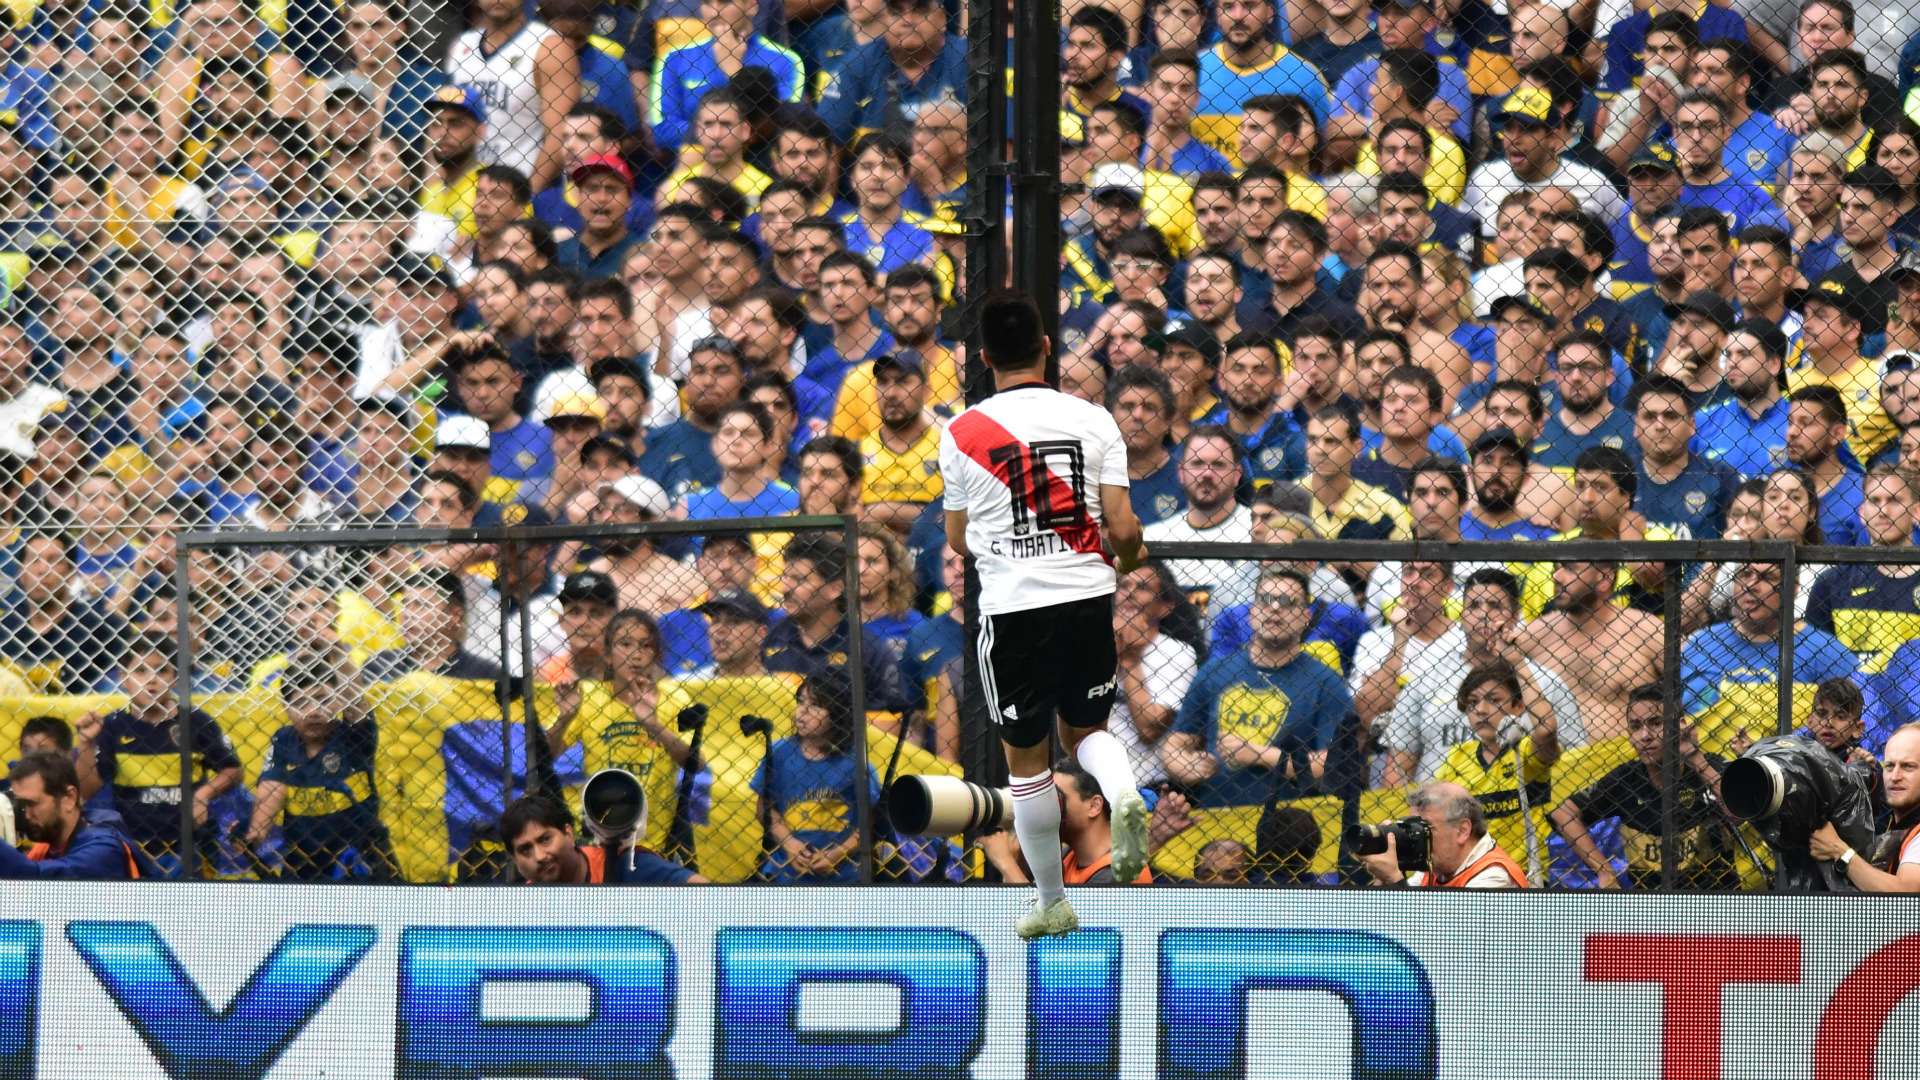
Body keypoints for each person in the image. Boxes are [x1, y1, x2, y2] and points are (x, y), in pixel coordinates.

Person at [938, 290, 1147, 938]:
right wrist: (1131, 555)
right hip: (1085, 597)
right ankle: (1122, 794)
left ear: (983, 358)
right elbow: (1121, 527)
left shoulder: (961, 432)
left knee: (1025, 765)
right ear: (1047, 349)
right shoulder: (1095, 420)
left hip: (1012, 610)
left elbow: (953, 538)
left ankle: (1052, 899)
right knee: (1087, 733)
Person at [1162, 567, 1351, 809]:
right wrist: (1187, 767)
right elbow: (1175, 744)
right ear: (1251, 613)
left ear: (1305, 617)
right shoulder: (1215, 671)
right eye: (1265, 600)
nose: (1274, 608)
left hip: (1288, 824)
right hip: (1215, 817)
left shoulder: (1325, 682)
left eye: (1287, 602)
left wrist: (1259, 754)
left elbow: (1336, 764)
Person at [1379, 568, 1585, 787]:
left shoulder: (1543, 682)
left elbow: (1574, 761)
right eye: (1474, 606)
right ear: (1461, 616)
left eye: (1495, 606)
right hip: (1439, 810)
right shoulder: (1427, 679)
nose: (1483, 614)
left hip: (1521, 807)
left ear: (1514, 616)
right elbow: (1399, 767)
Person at [74, 633, 243, 867]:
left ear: (175, 678)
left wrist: (202, 796)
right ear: (124, 678)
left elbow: (233, 770)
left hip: (191, 845)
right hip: (133, 844)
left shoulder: (196, 722)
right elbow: (88, 790)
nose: (151, 679)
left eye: (161, 670)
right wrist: (85, 745)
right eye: (140, 671)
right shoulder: (112, 726)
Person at [1550, 684, 1733, 890]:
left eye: (1656, 723)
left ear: (1680, 725)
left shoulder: (1709, 766)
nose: (1645, 736)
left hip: (1716, 900)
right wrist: (1604, 870)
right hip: (1649, 906)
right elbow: (1563, 814)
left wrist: (1695, 758)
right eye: (1635, 726)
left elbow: (1737, 814)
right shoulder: (1625, 779)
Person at [1681, 563, 1866, 755]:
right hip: (1696, 775)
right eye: (1745, 574)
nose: (1751, 585)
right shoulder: (1701, 644)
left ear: (1792, 588)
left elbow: (1861, 719)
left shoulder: (1827, 652)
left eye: (1767, 577)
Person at [244, 645, 393, 880]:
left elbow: (356, 700)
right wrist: (256, 832)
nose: (314, 711)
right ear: (286, 708)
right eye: (301, 702)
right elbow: (272, 785)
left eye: (323, 699)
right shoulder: (283, 740)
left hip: (357, 858)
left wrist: (339, 654)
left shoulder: (354, 735)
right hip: (302, 861)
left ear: (339, 702)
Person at [752, 669, 880, 883]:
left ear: (839, 714)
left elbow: (871, 821)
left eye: (815, 706)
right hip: (787, 873)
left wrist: (838, 854)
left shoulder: (855, 762)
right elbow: (763, 808)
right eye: (801, 702)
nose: (802, 712)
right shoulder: (780, 753)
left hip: (845, 877)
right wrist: (789, 843)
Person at [982, 759, 1155, 886]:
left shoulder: (1117, 872)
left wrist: (1006, 864)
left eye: (1057, 798)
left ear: (1094, 806)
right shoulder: (1069, 857)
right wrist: (1015, 860)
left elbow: (1054, 932)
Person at [1144, 426, 1257, 618]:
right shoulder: (1153, 536)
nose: (1207, 473)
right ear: (1181, 472)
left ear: (1237, 474)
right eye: (1197, 463)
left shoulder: (1259, 531)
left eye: (1218, 464)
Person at [0, 752, 158, 879]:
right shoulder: (47, 848)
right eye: (20, 805)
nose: (25, 814)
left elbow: (33, 880)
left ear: (69, 798)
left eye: (32, 804)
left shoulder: (105, 848)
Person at [1810, 724, 1920, 891]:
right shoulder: (1899, 823)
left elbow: (1907, 893)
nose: (1895, 777)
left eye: (1908, 766)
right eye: (1889, 766)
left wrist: (1840, 851)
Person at [501, 792, 703, 884]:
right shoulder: (521, 904)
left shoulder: (625, 864)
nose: (539, 856)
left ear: (569, 834)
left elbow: (706, 892)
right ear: (515, 861)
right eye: (525, 850)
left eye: (545, 839)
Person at [1360, 782, 1530, 888]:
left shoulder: (1494, 876)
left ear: (1462, 831)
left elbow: (1447, 939)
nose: (1417, 837)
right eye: (1414, 827)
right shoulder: (1435, 867)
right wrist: (1383, 876)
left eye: (1426, 828)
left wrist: (1394, 878)